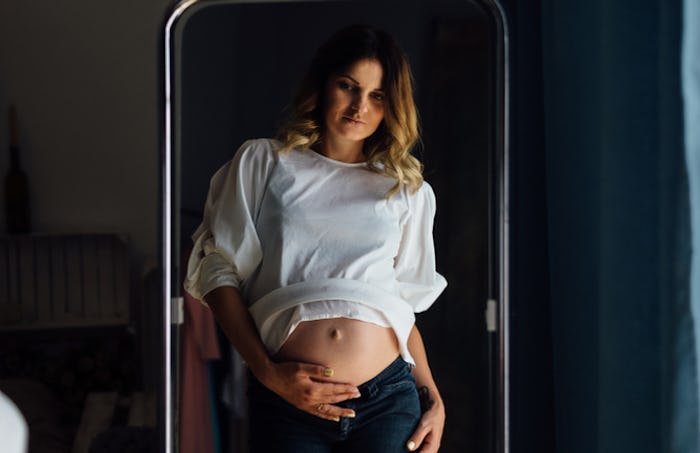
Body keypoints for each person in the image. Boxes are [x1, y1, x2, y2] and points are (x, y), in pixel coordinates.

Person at [184, 24, 447, 453]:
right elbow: (217, 271)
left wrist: (432, 397)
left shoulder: (407, 189)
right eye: (348, 86)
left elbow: (401, 306)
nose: (360, 106)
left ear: (392, 105)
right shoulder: (264, 162)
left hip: (388, 400)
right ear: (324, 85)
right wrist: (267, 373)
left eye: (378, 95)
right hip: (288, 401)